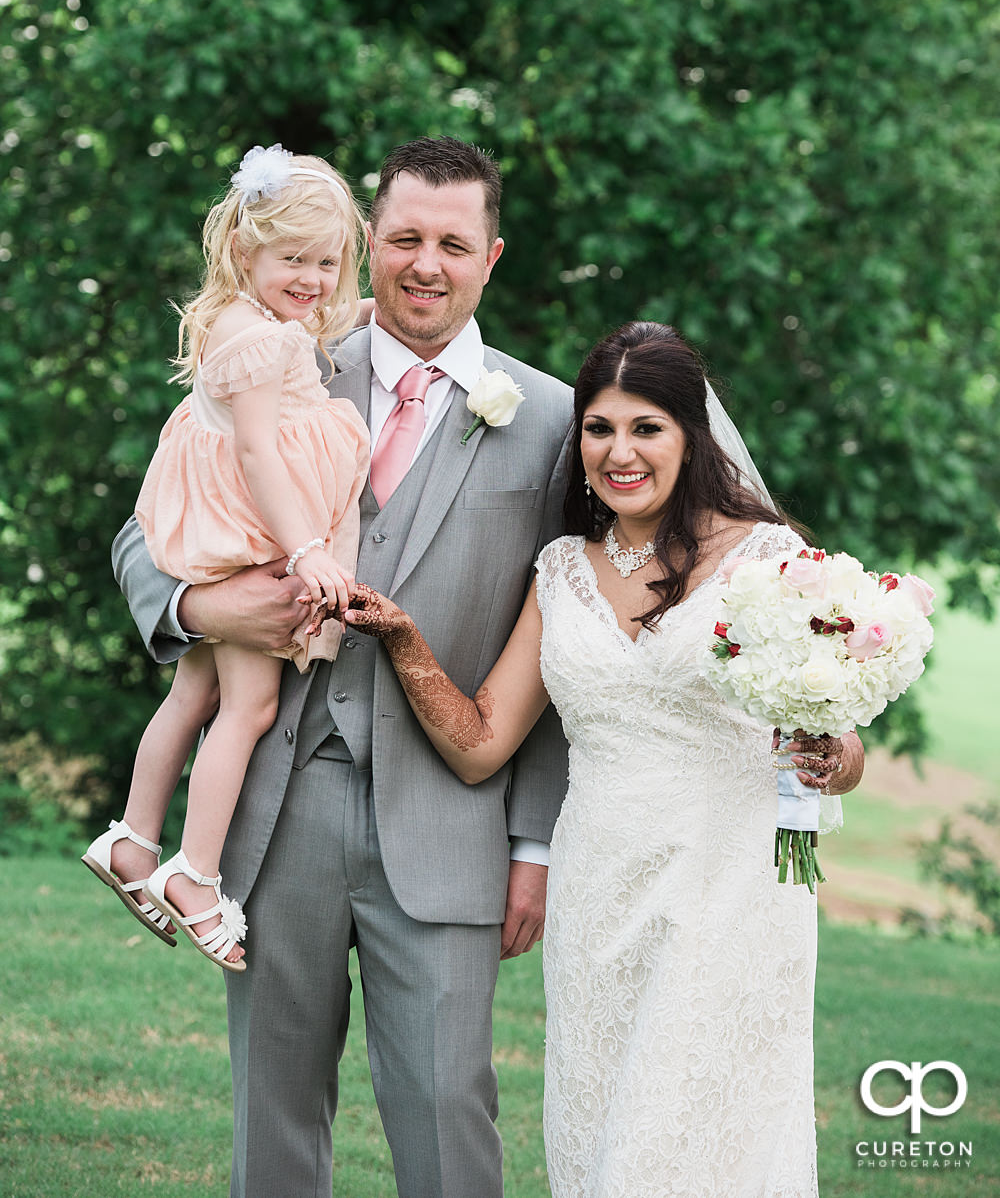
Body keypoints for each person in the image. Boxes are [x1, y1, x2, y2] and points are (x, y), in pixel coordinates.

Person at [111, 137, 573, 1197]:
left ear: (490, 257)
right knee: (271, 1115)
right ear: (372, 240)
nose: (425, 262)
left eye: (452, 244)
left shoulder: (548, 419)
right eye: (403, 237)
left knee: (450, 1114)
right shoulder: (280, 354)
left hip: (451, 824)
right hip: (279, 809)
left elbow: (563, 644)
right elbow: (150, 524)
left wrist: (535, 842)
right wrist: (199, 603)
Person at [345, 320, 865, 1198]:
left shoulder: (768, 561)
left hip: (726, 888)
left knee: (676, 1139)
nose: (619, 452)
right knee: (601, 1130)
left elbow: (839, 747)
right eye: (599, 428)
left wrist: (833, 750)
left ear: (691, 436)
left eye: (645, 428)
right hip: (598, 890)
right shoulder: (561, 572)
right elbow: (480, 744)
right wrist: (404, 641)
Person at [83, 145, 370, 970]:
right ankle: (196, 874)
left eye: (327, 262)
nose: (313, 279)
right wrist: (307, 547)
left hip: (228, 535)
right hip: (249, 541)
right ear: (245, 253)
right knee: (247, 710)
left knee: (195, 691)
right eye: (293, 259)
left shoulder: (255, 324)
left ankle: (134, 840)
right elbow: (255, 455)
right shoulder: (256, 343)